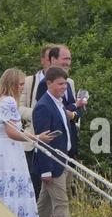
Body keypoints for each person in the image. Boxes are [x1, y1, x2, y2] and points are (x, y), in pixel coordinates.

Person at [0, 68, 53, 217]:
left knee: (1, 191)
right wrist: (37, 138)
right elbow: (12, 133)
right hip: (8, 151)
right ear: (13, 85)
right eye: (21, 84)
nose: (23, 88)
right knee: (13, 190)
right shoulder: (9, 102)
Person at [35, 45, 87, 199]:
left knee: (49, 200)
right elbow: (50, 111)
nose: (68, 62)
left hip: (69, 145)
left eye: (70, 59)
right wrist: (72, 110)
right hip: (54, 148)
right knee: (60, 201)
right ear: (52, 60)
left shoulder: (69, 83)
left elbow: (76, 114)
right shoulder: (44, 84)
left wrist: (75, 111)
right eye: (65, 59)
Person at [32, 67, 78, 217]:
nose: (64, 87)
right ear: (49, 83)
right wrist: (46, 170)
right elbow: (43, 142)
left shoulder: (59, 103)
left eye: (65, 84)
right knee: (61, 203)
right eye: (60, 84)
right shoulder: (43, 106)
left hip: (62, 159)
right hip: (52, 163)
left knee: (44, 205)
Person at [19, 43, 56, 200]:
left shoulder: (68, 82)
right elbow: (19, 108)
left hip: (55, 141)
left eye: (54, 59)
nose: (51, 63)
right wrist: (40, 114)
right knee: (33, 184)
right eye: (49, 59)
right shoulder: (29, 81)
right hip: (32, 140)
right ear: (43, 60)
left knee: (54, 189)